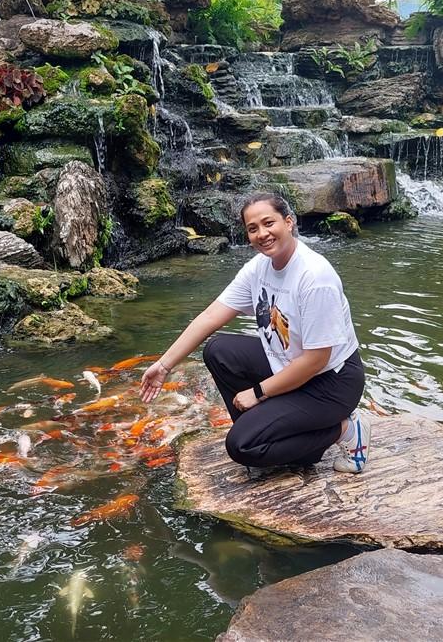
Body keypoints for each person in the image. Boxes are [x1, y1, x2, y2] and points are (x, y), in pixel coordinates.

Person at [140, 192, 371, 474]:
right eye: (253, 228)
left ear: (289, 223)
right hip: (289, 366)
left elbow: (316, 360)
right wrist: (164, 365)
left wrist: (258, 393)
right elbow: (211, 316)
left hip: (332, 384)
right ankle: (272, 440)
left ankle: (345, 429)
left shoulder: (315, 277)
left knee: (241, 446)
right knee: (219, 350)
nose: (262, 234)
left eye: (268, 223)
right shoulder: (259, 268)